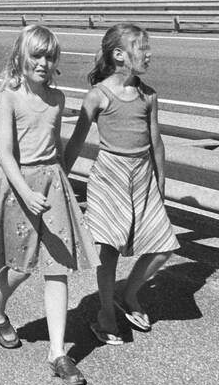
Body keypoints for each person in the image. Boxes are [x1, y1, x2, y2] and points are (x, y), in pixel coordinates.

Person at [0, 25, 98, 385]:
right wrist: (25, 191)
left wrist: (61, 183)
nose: (43, 63)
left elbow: (56, 145)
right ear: (20, 57)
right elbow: (4, 153)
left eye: (49, 57)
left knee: (58, 268)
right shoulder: (9, 96)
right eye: (36, 56)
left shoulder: (58, 99)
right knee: (21, 265)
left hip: (52, 185)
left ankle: (58, 353)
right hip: (18, 187)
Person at [63, 23, 179, 345]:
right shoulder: (98, 96)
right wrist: (60, 179)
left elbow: (156, 143)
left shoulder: (148, 95)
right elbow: (75, 142)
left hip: (142, 176)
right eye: (142, 48)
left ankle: (127, 295)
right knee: (109, 250)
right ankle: (105, 314)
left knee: (163, 245)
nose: (149, 54)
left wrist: (161, 185)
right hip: (110, 176)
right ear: (119, 55)